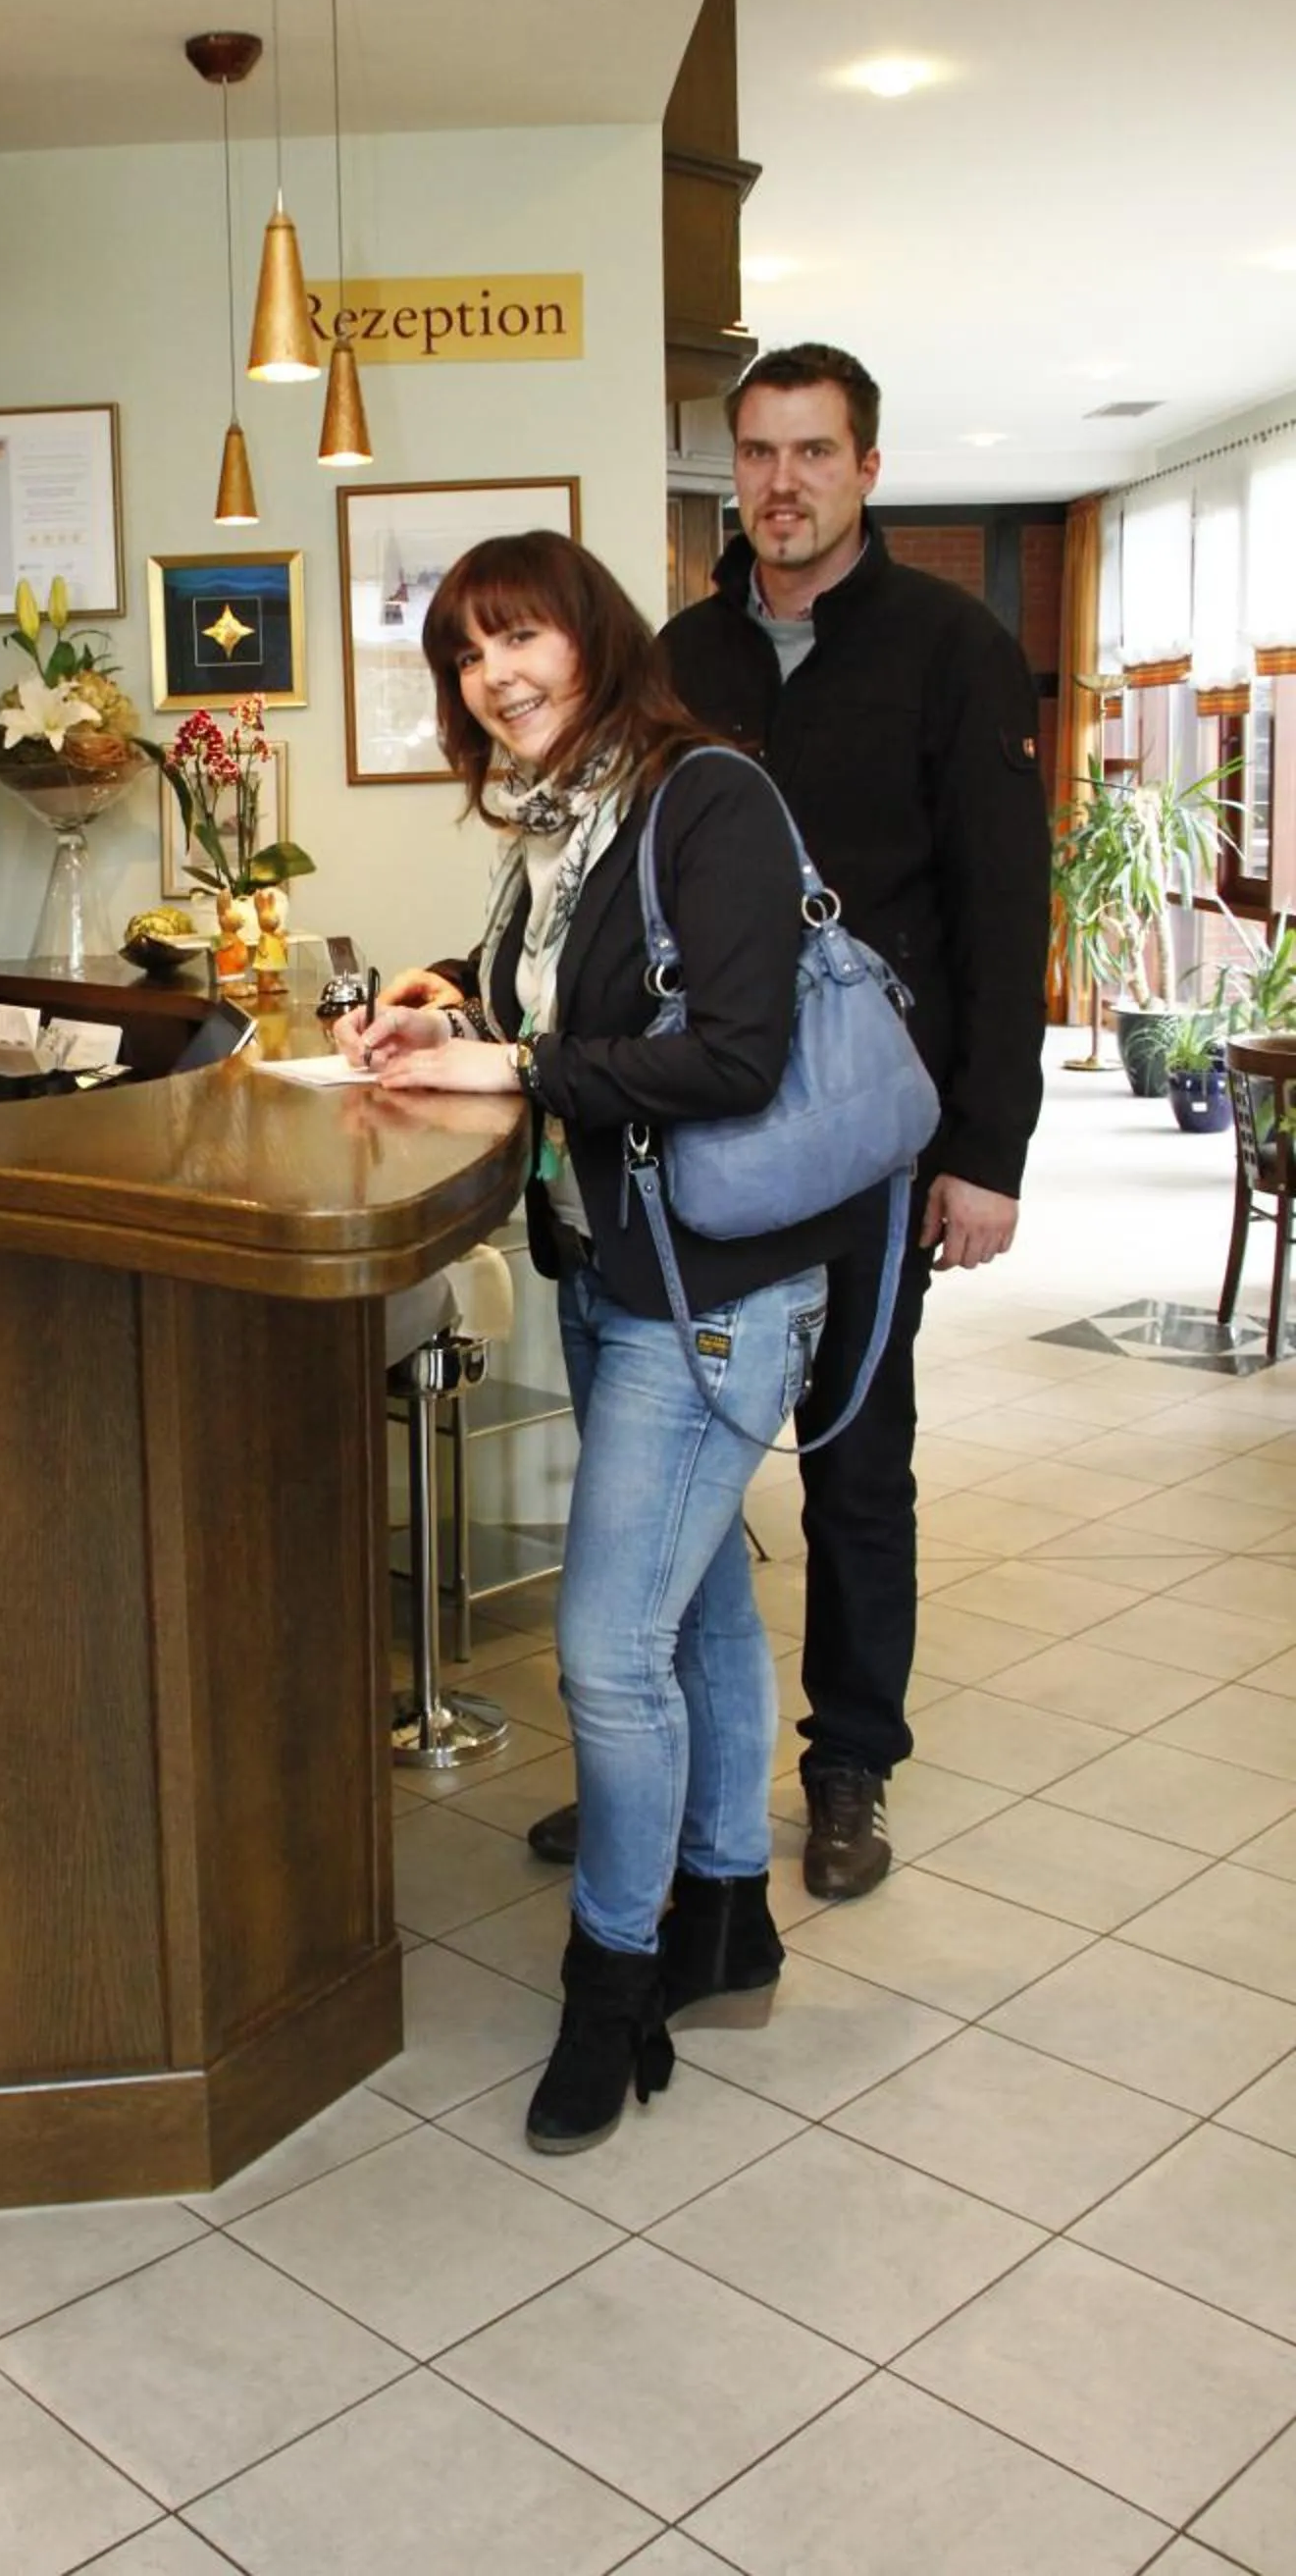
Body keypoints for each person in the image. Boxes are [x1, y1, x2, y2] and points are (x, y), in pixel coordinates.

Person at [508, 344, 1050, 1899]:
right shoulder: (681, 653)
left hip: (870, 1142)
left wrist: (986, 1153)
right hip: (686, 1146)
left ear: (866, 467)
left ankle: (852, 1764)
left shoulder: (954, 648)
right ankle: (656, 1758)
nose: (782, 484)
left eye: (813, 453)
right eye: (757, 453)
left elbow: (1003, 913)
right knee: (667, 1462)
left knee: (857, 1456)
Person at [340, 530, 855, 2154]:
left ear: (594, 639)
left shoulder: (708, 798)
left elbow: (736, 1057)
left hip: (717, 1292)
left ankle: (615, 1979)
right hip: (626, 1269)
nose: (495, 678)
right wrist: (457, 1011)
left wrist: (516, 1070)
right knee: (695, 1619)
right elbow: (560, 1002)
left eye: (520, 639)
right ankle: (726, 1922)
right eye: (467, 657)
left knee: (603, 1652)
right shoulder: (567, 825)